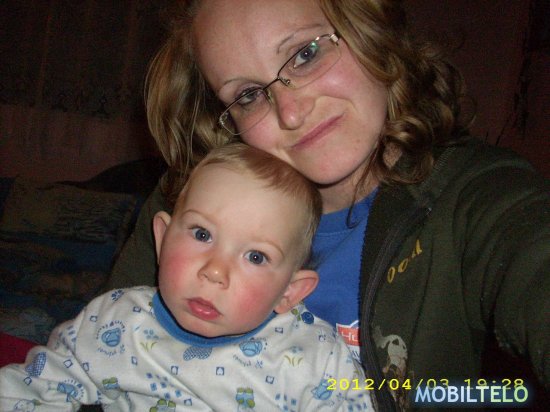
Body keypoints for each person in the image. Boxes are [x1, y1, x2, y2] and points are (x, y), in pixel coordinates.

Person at [106, 0, 550, 410]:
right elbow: (108, 359)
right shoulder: (192, 204)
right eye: (249, 95)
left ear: (370, 31)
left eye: (305, 54)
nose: (291, 112)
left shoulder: (474, 198)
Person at [0, 143, 374, 411]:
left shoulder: (315, 358)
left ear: (289, 292)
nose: (214, 270)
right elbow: (31, 388)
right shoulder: (115, 321)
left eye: (255, 256)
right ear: (162, 238)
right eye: (201, 234)